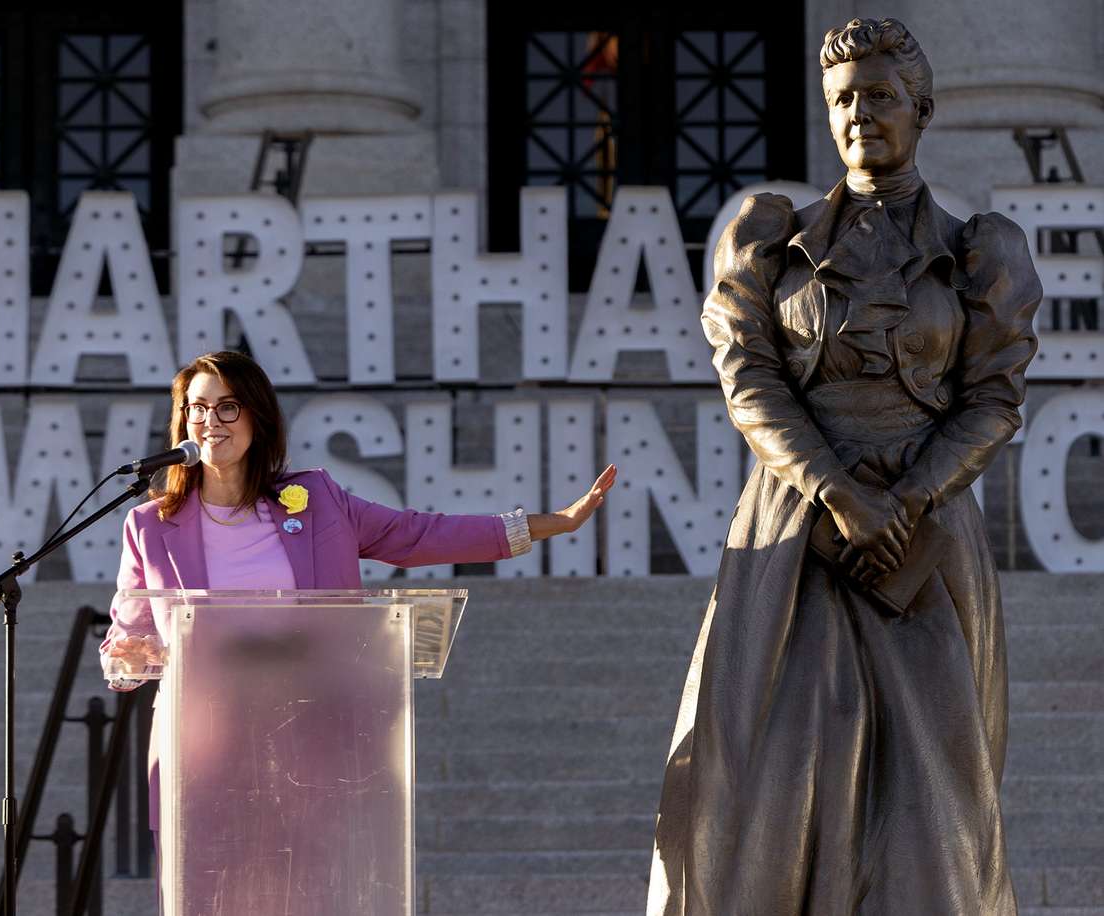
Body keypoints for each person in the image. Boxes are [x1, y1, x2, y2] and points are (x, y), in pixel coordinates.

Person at [648, 18, 1040, 916]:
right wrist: (833, 488)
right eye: (843, 99)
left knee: (932, 797)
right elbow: (748, 376)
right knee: (778, 776)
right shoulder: (769, 235)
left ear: (923, 110)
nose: (860, 112)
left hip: (922, 538)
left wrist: (901, 500)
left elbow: (993, 398)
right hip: (795, 535)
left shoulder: (983, 246)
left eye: (880, 94)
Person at [99, 348, 616, 854]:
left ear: (258, 416)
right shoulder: (150, 526)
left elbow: (420, 535)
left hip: (312, 746)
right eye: (197, 407)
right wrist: (129, 659)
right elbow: (126, 643)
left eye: (227, 405)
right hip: (204, 755)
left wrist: (554, 523)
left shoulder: (316, 501)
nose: (211, 420)